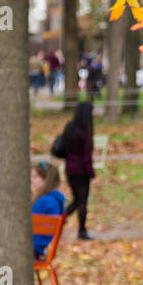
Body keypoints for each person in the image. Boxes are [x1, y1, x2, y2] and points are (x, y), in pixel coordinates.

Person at [53, 99, 96, 240]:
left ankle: (62, 218)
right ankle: (80, 228)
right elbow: (86, 156)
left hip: (70, 169)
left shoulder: (70, 128)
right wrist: (91, 172)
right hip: (81, 170)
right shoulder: (85, 132)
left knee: (77, 200)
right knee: (81, 201)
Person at [31, 160, 66, 259]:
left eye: (35, 177)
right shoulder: (56, 200)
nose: (31, 180)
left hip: (34, 249)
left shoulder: (45, 202)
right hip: (42, 249)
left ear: (46, 179)